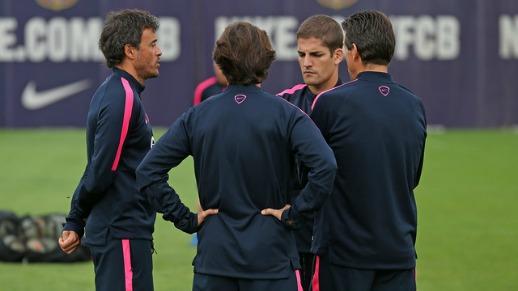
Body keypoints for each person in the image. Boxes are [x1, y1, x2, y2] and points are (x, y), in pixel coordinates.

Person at [136, 22, 337, 291]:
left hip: (215, 262)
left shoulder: (199, 116)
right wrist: (294, 214)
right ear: (266, 61)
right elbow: (325, 166)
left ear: (221, 61)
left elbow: (147, 171)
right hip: (272, 261)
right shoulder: (286, 114)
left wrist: (186, 218)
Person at [310, 11, 427, 291]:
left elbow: (310, 174)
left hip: (344, 255)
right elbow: (413, 176)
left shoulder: (329, 104)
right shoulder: (414, 105)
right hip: (398, 251)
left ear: (354, 52)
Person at [58, 9, 163, 291]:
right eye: (152, 44)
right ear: (130, 50)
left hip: (126, 232)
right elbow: (102, 171)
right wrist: (75, 219)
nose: (159, 51)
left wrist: (76, 219)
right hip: (121, 233)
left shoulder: (119, 92)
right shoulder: (122, 97)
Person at [277, 14, 344, 291]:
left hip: (342, 239)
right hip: (294, 236)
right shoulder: (284, 103)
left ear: (338, 55)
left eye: (316, 54)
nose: (306, 62)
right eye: (301, 54)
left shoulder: (354, 106)